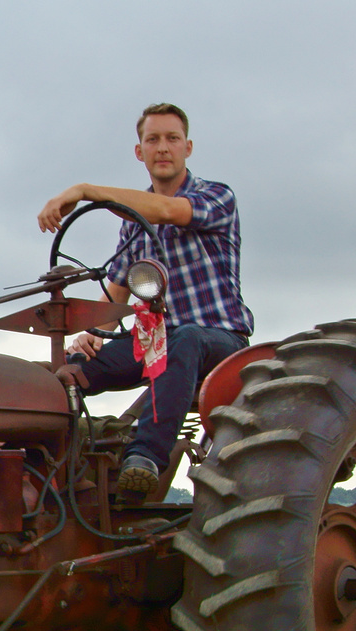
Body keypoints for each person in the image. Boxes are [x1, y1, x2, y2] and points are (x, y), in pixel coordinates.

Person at [37, 103, 253, 496]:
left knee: (184, 337)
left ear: (188, 147)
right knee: (67, 371)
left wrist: (85, 191)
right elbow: (117, 288)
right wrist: (92, 335)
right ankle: (52, 468)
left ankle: (146, 457)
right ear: (140, 152)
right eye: (152, 140)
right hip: (153, 344)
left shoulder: (217, 197)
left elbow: (169, 210)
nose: (163, 148)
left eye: (172, 139)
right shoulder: (132, 222)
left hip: (219, 343)